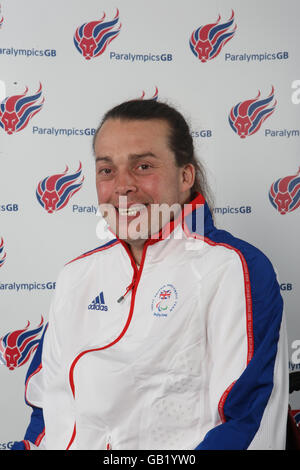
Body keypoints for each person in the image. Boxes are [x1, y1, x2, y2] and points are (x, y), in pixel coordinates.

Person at [12, 99, 288, 450]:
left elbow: (248, 423)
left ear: (185, 175)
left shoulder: (233, 268)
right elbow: (44, 405)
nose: (123, 186)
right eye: (106, 170)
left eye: (143, 166)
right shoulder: (76, 275)